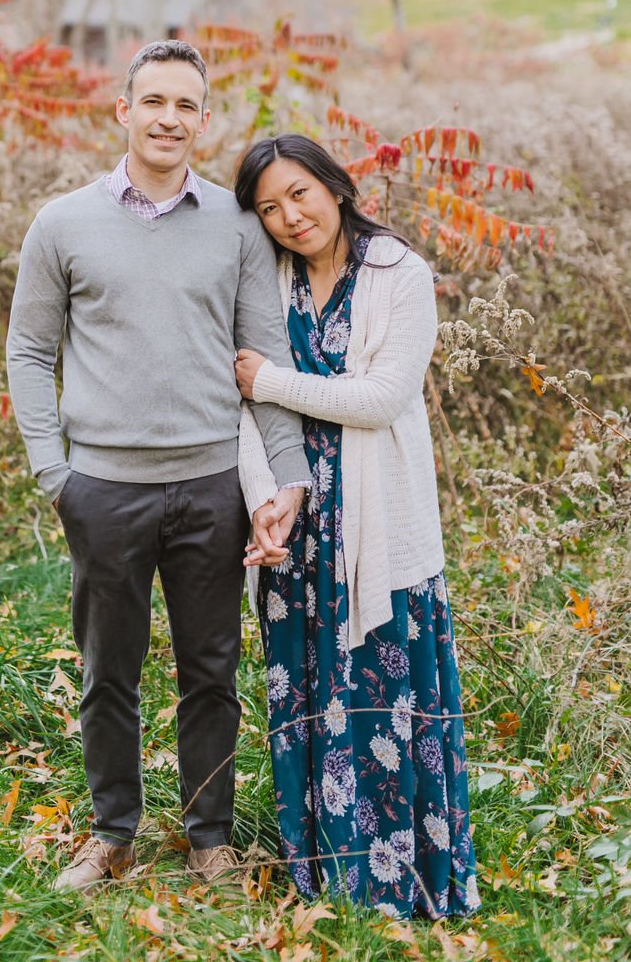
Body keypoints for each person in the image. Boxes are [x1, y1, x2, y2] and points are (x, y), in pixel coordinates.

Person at [5, 41, 310, 895]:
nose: (169, 119)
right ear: (123, 112)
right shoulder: (62, 224)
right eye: (153, 102)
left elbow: (263, 357)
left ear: (203, 121)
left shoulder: (237, 228)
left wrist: (283, 481)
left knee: (211, 670)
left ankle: (210, 837)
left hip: (213, 486)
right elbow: (29, 350)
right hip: (102, 489)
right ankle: (113, 834)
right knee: (109, 671)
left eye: (186, 105)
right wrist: (53, 473)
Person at [232, 134, 480, 919]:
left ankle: (404, 883)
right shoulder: (267, 281)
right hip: (297, 523)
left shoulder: (399, 275)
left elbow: (380, 397)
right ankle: (323, 874)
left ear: (336, 186)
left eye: (299, 194)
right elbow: (245, 411)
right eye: (269, 208)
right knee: (305, 693)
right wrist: (265, 499)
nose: (289, 217)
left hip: (379, 526)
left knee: (383, 692)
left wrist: (272, 378)